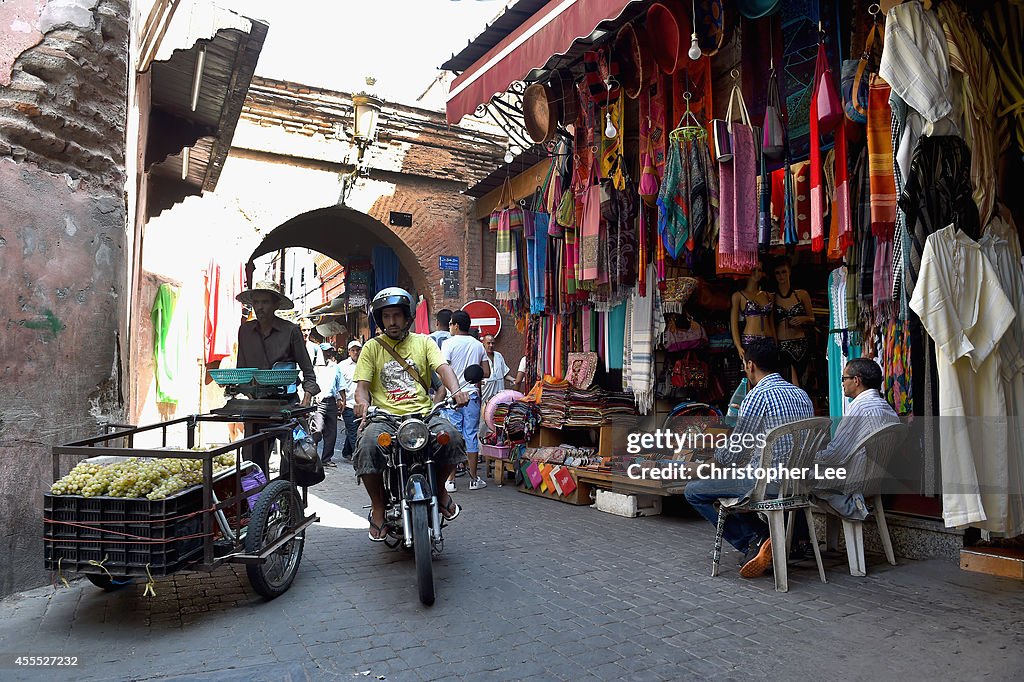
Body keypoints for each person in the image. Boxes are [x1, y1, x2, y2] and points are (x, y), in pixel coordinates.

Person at [683, 337, 813, 579]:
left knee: (694, 491)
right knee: (734, 477)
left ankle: (755, 541)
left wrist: (711, 462)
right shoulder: (801, 395)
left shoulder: (756, 396)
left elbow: (737, 450)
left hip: (767, 483)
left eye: (744, 364)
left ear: (750, 365)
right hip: (797, 483)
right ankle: (772, 540)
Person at [353, 287, 469, 543]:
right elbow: (361, 388)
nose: (392, 321)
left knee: (452, 437)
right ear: (380, 320)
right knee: (367, 447)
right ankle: (378, 507)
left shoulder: (424, 342)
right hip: (385, 417)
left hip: (423, 415)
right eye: (386, 316)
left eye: (397, 315)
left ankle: (439, 492)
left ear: (407, 317)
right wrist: (361, 404)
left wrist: (457, 390)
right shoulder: (371, 348)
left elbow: (443, 368)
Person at [790, 358, 900, 558]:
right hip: (874, 480)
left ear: (856, 380)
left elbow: (836, 454)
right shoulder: (886, 407)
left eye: (844, 378)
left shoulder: (860, 408)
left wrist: (807, 458)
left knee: (791, 478)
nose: (842, 383)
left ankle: (794, 544)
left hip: (852, 480)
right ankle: (811, 544)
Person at [235, 281, 320, 474]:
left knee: (296, 456)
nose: (259, 307)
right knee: (252, 462)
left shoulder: (291, 331)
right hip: (256, 407)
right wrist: (244, 392)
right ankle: (258, 501)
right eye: (256, 302)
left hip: (286, 404)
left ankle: (287, 496)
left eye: (265, 302)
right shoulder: (245, 331)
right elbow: (241, 370)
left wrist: (306, 401)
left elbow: (309, 373)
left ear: (275, 305)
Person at [436, 310, 490, 492]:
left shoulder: (448, 344)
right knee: (471, 435)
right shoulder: (478, 346)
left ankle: (450, 481)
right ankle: (474, 479)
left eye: (451, 324)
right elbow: (487, 372)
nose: (450, 327)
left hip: (453, 397)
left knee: (453, 436)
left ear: (456, 325)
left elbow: (442, 370)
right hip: (472, 396)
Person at [772, 256, 815, 387]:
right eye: (777, 273)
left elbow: (812, 318)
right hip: (782, 345)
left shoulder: (801, 295)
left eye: (784, 271)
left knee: (804, 381)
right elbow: (770, 323)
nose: (781, 276)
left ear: (789, 272)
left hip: (801, 343)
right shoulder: (771, 297)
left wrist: (803, 319)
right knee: (789, 383)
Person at [730, 261, 775, 361]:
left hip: (769, 340)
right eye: (753, 270)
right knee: (753, 374)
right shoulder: (738, 296)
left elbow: (772, 322)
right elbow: (734, 324)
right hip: (750, 341)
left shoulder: (769, 296)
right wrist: (738, 346)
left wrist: (775, 342)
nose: (757, 273)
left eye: (759, 270)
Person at [310, 344, 343, 468]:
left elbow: (338, 385)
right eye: (325, 351)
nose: (328, 353)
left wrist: (340, 399)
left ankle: (326, 459)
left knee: (331, 432)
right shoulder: (315, 367)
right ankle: (312, 457)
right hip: (318, 402)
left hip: (331, 401)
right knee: (316, 430)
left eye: (330, 351)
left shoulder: (335, 367)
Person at [479, 333, 513, 437]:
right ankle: (481, 445)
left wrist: (513, 380)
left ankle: (497, 441)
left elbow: (504, 374)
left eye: (492, 343)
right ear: (483, 343)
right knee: (483, 418)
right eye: (488, 343)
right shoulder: (480, 356)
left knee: (498, 417)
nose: (490, 345)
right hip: (485, 392)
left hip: (499, 393)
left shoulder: (498, 356)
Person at [338, 339, 361, 462]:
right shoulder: (342, 366)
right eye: (353, 350)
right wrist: (340, 401)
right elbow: (338, 385)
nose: (356, 352)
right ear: (349, 352)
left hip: (361, 404)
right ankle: (357, 456)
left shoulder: (365, 364)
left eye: (358, 350)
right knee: (353, 431)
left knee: (356, 429)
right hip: (348, 404)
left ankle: (346, 451)